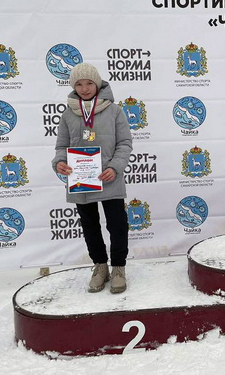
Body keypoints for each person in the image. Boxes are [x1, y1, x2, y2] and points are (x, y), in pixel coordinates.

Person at [52, 62, 133, 293]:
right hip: (81, 181)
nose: (85, 88)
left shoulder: (114, 111)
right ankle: (100, 267)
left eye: (89, 83)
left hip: (108, 177)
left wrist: (115, 167)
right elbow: (61, 146)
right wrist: (59, 162)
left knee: (117, 225)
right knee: (89, 225)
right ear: (73, 86)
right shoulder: (68, 114)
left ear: (97, 84)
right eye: (79, 84)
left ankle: (118, 268)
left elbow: (125, 143)